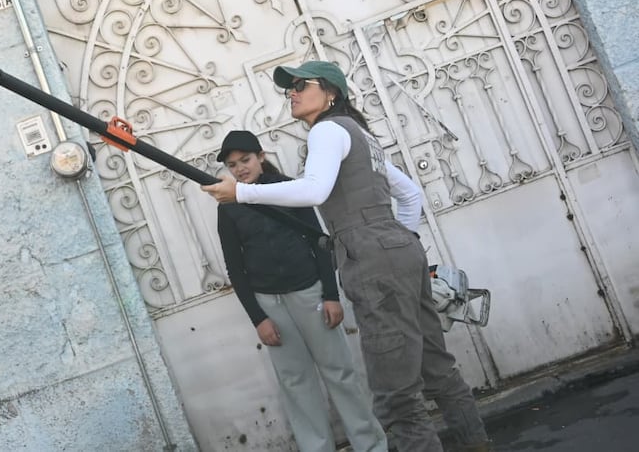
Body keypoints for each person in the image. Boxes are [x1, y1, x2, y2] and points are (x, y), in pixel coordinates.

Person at [203, 61, 491, 452]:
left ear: (330, 92)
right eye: (289, 88)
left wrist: (241, 193)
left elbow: (314, 191)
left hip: (373, 260)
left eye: (301, 85)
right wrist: (399, 242)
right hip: (399, 251)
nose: (291, 93)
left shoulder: (326, 130)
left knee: (397, 399)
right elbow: (409, 195)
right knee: (437, 369)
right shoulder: (359, 134)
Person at [215, 130, 388, 452]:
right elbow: (234, 268)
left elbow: (320, 243)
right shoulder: (228, 207)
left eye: (245, 160)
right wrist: (258, 318)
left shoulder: (288, 189)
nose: (240, 169)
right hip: (270, 304)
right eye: (232, 165)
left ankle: (371, 445)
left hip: (310, 294)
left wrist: (331, 295)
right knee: (296, 382)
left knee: (340, 373)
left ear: (261, 156)